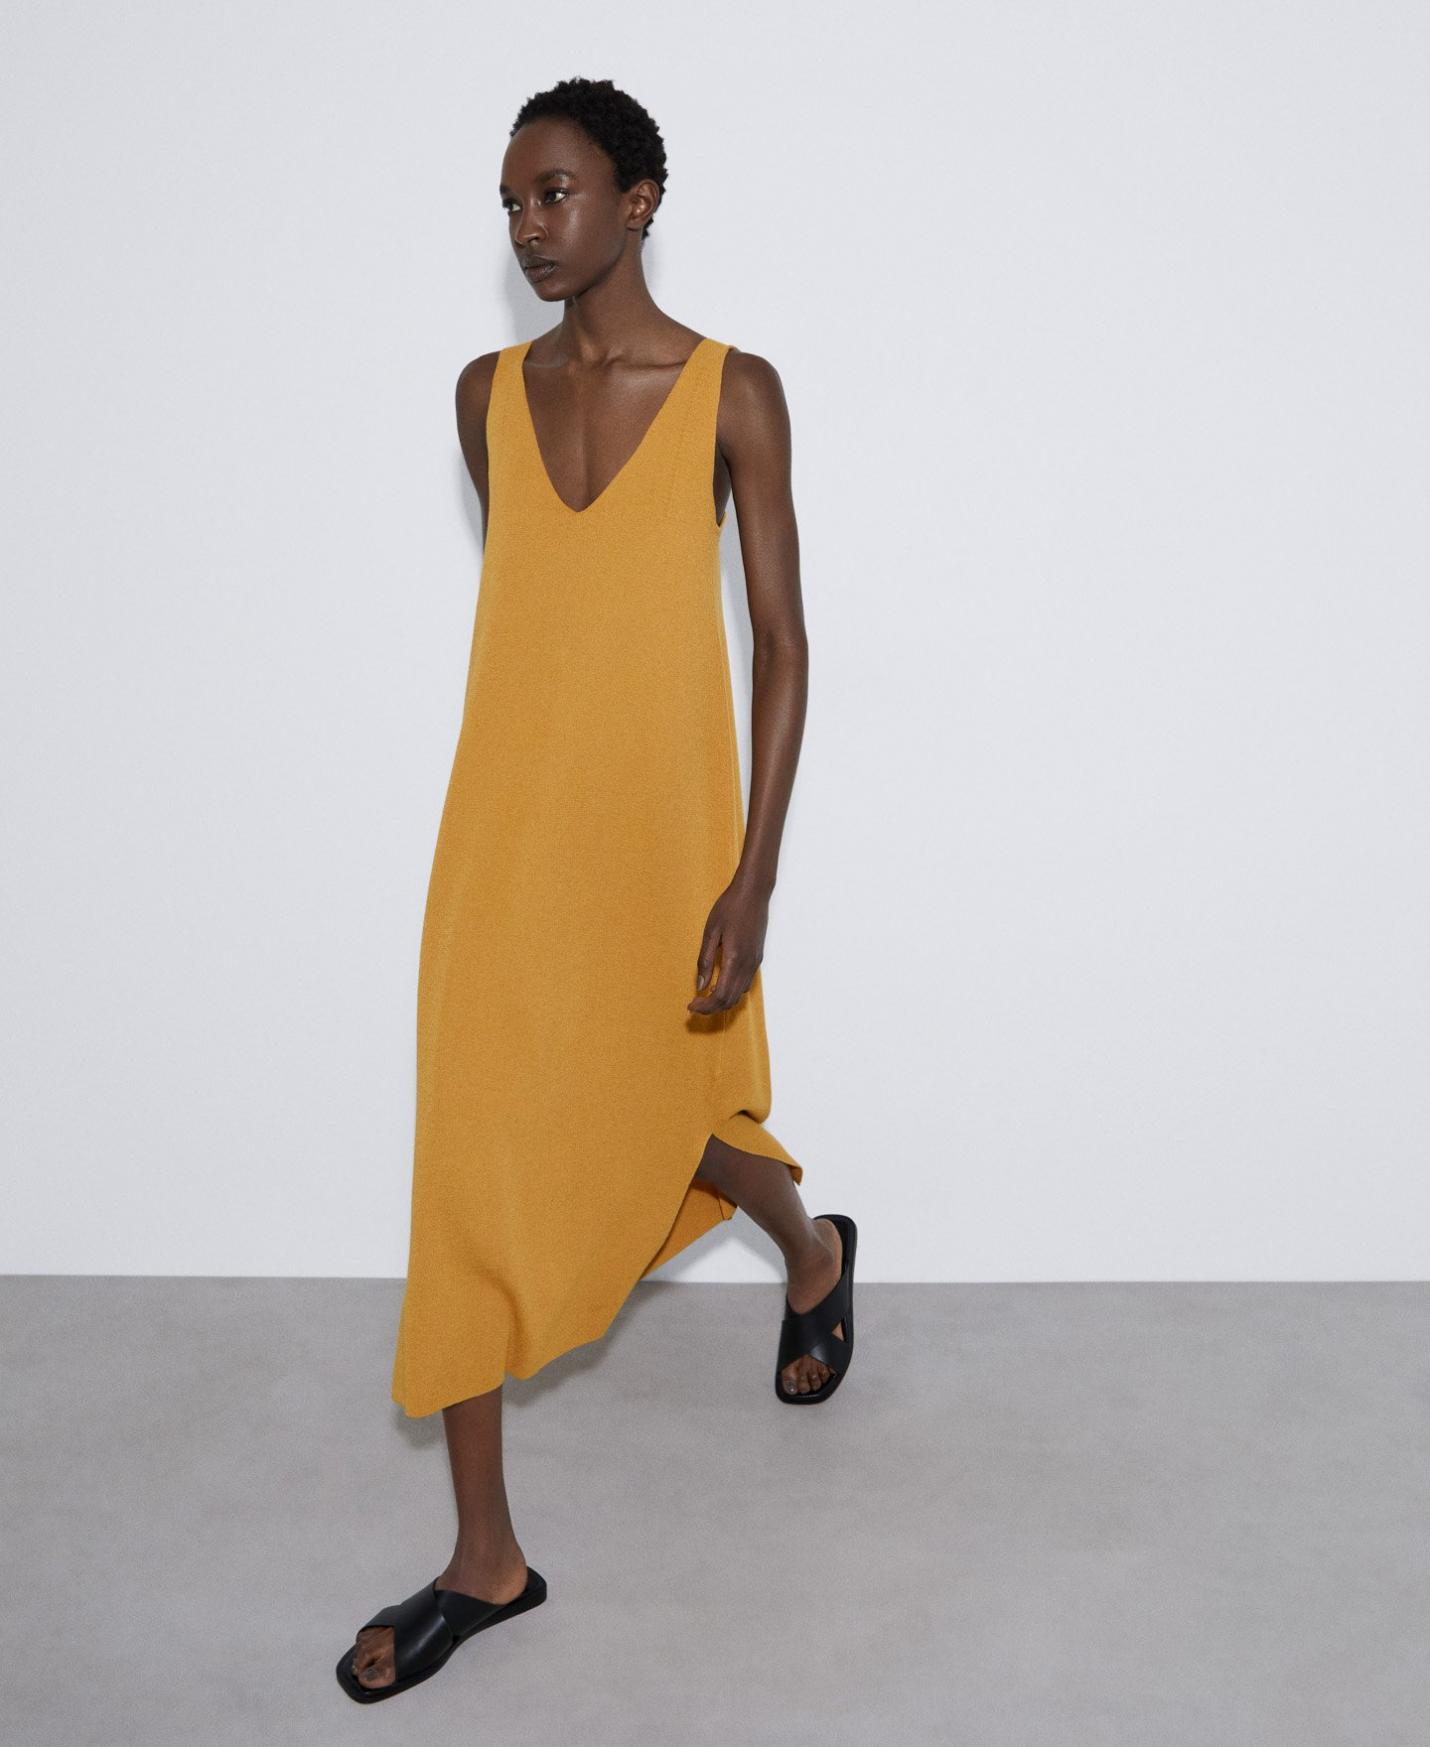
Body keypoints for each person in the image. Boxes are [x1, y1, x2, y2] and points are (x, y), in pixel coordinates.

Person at [337, 76, 857, 1703]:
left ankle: (810, 1250)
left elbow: (781, 647)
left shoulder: (733, 393)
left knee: (658, 1108)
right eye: (510, 202)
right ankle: (485, 1560)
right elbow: (545, 631)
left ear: (637, 201)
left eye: (553, 193)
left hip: (664, 845)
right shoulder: (482, 396)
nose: (527, 226)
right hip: (503, 843)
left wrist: (751, 875)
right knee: (474, 1154)